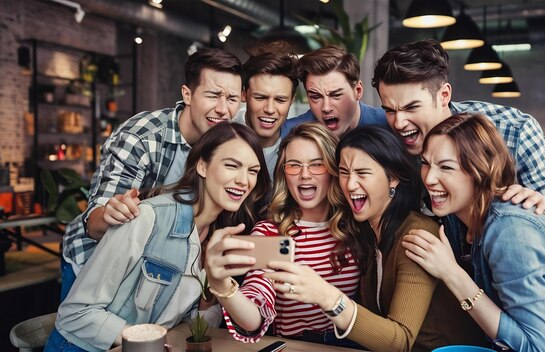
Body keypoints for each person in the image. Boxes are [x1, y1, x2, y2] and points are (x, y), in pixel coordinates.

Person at [405, 113, 545, 352]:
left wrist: (451, 273)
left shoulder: (509, 229)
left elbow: (530, 347)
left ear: (480, 170)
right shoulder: (470, 221)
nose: (429, 178)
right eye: (426, 163)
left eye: (446, 167)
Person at [45, 122, 271, 352]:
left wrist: (211, 293)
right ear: (202, 166)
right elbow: (75, 313)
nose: (244, 180)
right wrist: (150, 341)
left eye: (252, 171)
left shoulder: (219, 237)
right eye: (232, 166)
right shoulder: (147, 217)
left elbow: (190, 327)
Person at [263, 126, 488, 351]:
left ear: (393, 179)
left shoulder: (417, 234)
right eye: (344, 172)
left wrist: (327, 296)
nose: (349, 185)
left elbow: (400, 341)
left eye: (362, 173)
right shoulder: (367, 233)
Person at [372, 39, 545, 243]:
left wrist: (539, 207)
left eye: (411, 107)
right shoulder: (388, 139)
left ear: (443, 96)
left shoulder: (513, 131)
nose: (399, 122)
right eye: (389, 110)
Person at [60, 48, 244, 299]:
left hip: (157, 270)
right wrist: (113, 212)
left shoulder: (229, 141)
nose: (223, 109)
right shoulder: (141, 137)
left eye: (232, 98)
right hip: (94, 260)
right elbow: (95, 224)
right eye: (213, 95)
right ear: (187, 94)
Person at [203, 122, 361, 347]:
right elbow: (254, 314)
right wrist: (222, 286)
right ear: (284, 173)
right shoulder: (269, 232)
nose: (304, 175)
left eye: (317, 165)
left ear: (333, 170)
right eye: (294, 165)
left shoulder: (354, 226)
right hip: (297, 346)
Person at [280, 45, 387, 138]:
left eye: (336, 95)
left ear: (358, 91)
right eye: (316, 97)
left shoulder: (389, 125)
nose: (326, 108)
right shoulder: (288, 132)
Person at [234, 41, 299, 180]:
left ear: (292, 99)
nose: (269, 109)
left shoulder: (297, 146)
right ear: (244, 94)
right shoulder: (221, 133)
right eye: (260, 97)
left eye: (280, 100)